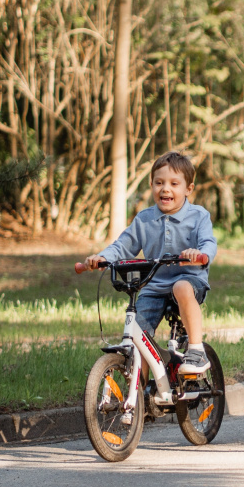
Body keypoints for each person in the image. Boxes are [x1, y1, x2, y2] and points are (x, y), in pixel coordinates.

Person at [84, 151, 218, 374]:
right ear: (152, 185)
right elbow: (123, 245)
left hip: (189, 281)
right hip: (154, 287)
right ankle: (140, 395)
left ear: (188, 189)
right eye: (159, 182)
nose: (165, 188)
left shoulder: (198, 216)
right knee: (138, 337)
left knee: (181, 287)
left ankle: (196, 350)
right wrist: (103, 257)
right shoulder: (144, 219)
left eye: (174, 183)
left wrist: (200, 253)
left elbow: (209, 243)